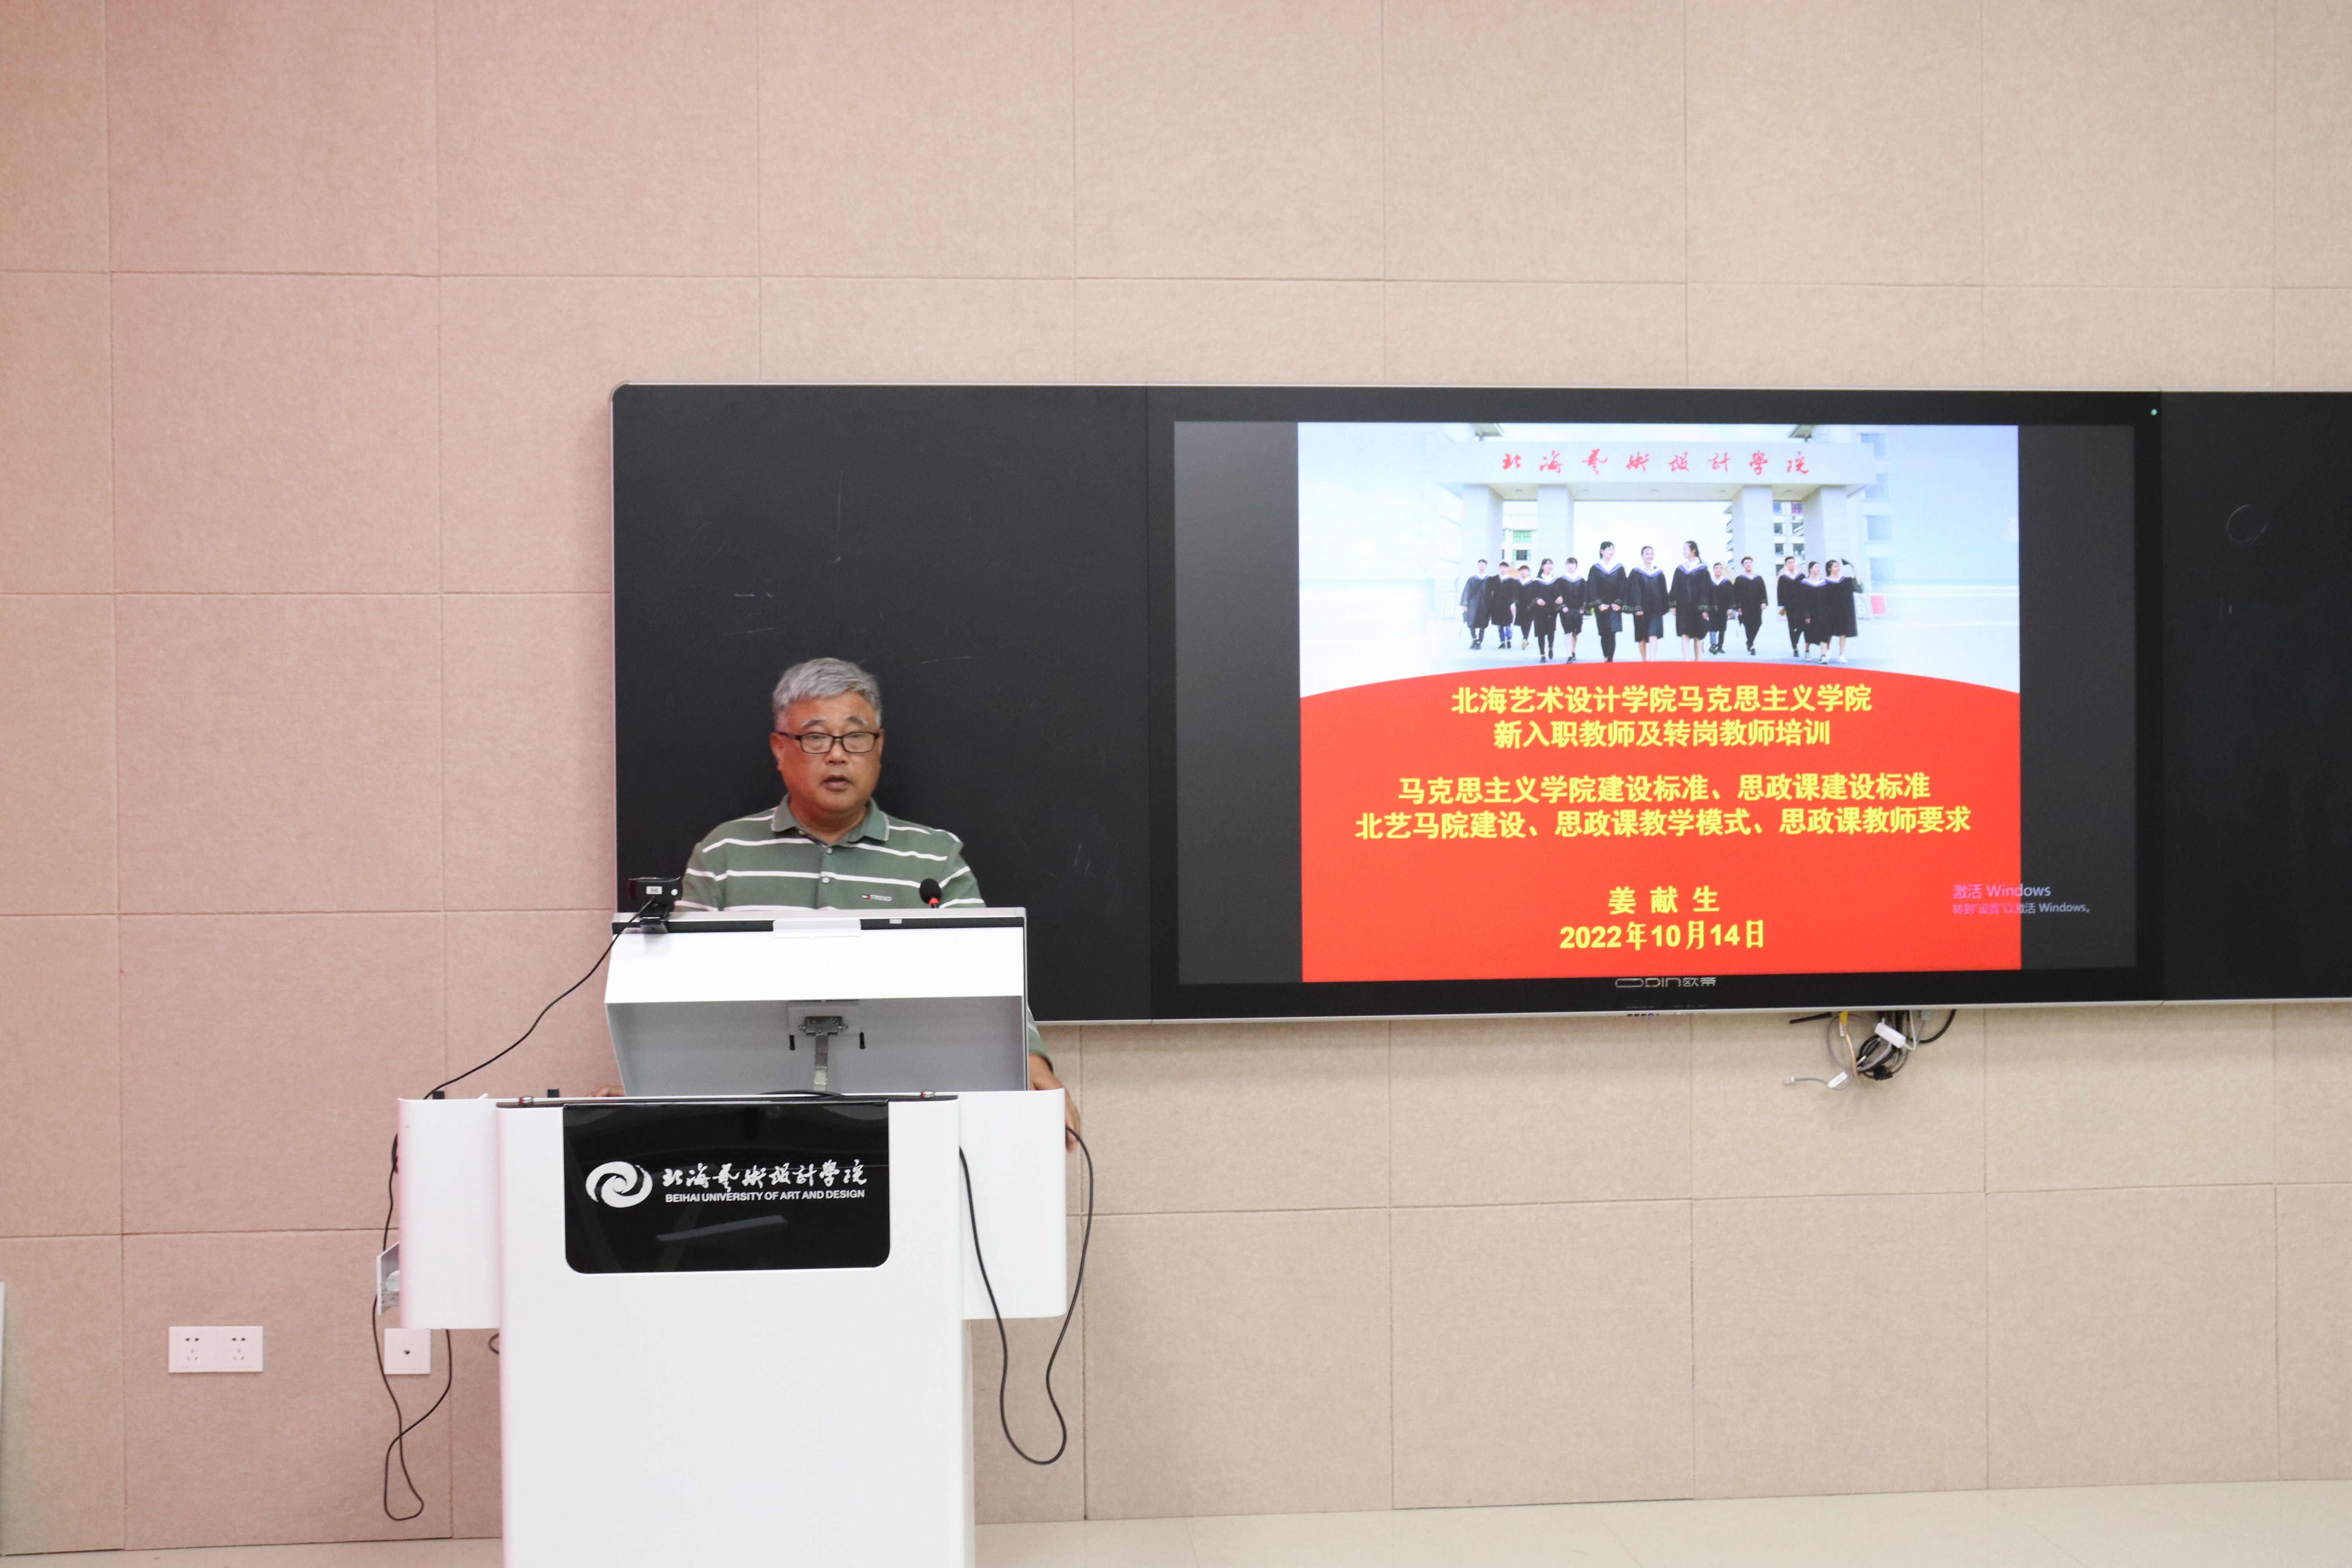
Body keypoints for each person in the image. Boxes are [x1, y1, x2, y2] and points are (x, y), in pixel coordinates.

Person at [653, 657, 1078, 1139]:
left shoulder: (934, 859)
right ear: (780, 749)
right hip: (753, 1114)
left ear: (879, 748)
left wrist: (1031, 1062)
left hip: (905, 1111)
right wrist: (645, 1085)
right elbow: (670, 995)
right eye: (816, 737)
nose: (837, 756)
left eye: (856, 737)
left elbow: (989, 976)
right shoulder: (724, 853)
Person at [1669, 541, 1712, 661]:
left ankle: (1697, 661)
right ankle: (1687, 662)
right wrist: (1674, 605)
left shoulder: (1703, 570)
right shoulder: (1681, 569)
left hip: (1698, 608)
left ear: (1693, 551)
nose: (1683, 552)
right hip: (1684, 607)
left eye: (1685, 549)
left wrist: (1705, 609)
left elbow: (1707, 590)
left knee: (1698, 636)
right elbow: (1675, 588)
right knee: (1685, 634)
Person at [1585, 544, 1628, 663]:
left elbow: (1623, 586)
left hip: (1615, 606)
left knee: (1613, 633)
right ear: (1602, 551)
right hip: (1602, 607)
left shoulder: (1619, 568)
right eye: (1609, 549)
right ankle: (1606, 656)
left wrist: (1619, 603)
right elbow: (1592, 587)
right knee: (1604, 633)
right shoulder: (1595, 568)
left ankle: (1610, 659)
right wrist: (1599, 604)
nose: (1612, 552)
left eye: (1613, 549)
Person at [1629, 545, 1669, 661]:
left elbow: (1664, 591)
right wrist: (1637, 608)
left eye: (1651, 554)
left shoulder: (1659, 573)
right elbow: (1633, 591)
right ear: (1642, 556)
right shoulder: (1636, 572)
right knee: (1642, 637)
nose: (1649, 556)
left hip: (1656, 609)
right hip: (1641, 609)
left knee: (1654, 634)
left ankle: (1652, 660)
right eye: (1647, 554)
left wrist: (1665, 607)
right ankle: (1645, 660)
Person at [1818, 558, 1861, 664]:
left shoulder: (1846, 581)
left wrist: (1855, 571)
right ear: (1829, 569)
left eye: (1838, 566)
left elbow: (1860, 588)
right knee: (1828, 632)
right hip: (1829, 611)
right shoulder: (1824, 582)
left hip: (1844, 610)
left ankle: (1841, 655)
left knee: (1843, 633)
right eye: (1835, 567)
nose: (1838, 568)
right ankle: (1828, 650)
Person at [1526, 558, 1563, 662]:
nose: (1549, 566)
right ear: (1542, 567)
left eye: (1551, 564)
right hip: (1540, 611)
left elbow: (1561, 592)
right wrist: (1537, 600)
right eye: (1547, 564)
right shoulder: (1536, 581)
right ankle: (1543, 654)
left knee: (1551, 631)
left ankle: (1551, 647)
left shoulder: (1556, 580)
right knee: (1541, 633)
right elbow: (1531, 596)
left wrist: (1561, 597)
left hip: (1552, 609)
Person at [1732, 555, 1768, 655]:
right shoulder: (1740, 579)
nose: (1748, 565)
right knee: (1748, 625)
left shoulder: (1759, 579)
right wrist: (1738, 607)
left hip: (1757, 606)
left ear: (1753, 564)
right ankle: (1752, 645)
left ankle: (1749, 641)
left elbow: (1763, 592)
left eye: (1750, 563)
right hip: (1745, 606)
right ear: (1743, 566)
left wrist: (1764, 602)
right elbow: (1736, 594)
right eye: (1746, 563)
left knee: (1758, 623)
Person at [1555, 556, 1586, 662]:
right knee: (1568, 632)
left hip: (1578, 610)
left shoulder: (1581, 580)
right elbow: (1558, 595)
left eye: (1573, 564)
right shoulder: (1561, 580)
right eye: (1569, 564)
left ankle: (1573, 651)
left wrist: (1583, 608)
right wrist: (1563, 606)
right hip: (1566, 610)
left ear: (1576, 566)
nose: (1570, 566)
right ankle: (1569, 656)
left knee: (1575, 633)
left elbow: (1584, 596)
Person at [1800, 559, 1833, 661]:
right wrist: (1806, 615)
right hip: (1810, 613)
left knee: (1824, 633)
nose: (1818, 569)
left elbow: (1827, 599)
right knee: (1809, 633)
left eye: (1819, 567)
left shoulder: (1824, 583)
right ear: (1810, 569)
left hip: (1823, 613)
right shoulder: (1804, 583)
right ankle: (1807, 650)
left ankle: (1823, 656)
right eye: (1816, 567)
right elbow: (1803, 600)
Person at [1776, 555, 1807, 657]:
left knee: (1803, 625)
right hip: (1790, 606)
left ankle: (1795, 640)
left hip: (1801, 605)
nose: (1792, 564)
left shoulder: (1801, 577)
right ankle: (1795, 648)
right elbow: (1780, 593)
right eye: (1790, 563)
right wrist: (1781, 607)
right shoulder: (1783, 579)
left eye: (1793, 562)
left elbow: (1806, 591)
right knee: (1792, 626)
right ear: (1786, 565)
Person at [1459, 559, 1494, 649]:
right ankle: (1474, 639)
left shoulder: (1490, 579)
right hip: (1473, 604)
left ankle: (1479, 642)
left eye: (1484, 564)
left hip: (1485, 603)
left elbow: (1493, 593)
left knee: (1483, 622)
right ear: (1478, 565)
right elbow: (1467, 591)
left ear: (1486, 566)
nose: (1482, 565)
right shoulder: (1472, 579)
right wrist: (1465, 604)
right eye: (1480, 564)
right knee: (1472, 621)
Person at [1493, 563, 1524, 650]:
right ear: (1499, 568)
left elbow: (1514, 593)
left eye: (1505, 568)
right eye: (1502, 567)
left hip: (1508, 605)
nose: (1503, 569)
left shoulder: (1511, 581)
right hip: (1498, 605)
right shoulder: (1496, 579)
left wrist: (1513, 604)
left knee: (1508, 624)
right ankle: (1503, 642)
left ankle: (1509, 640)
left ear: (1508, 569)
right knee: (1500, 625)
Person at [1705, 560, 1732, 655]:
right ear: (1714, 570)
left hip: (1724, 609)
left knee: (1722, 628)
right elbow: (1706, 596)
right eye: (1717, 568)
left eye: (1720, 568)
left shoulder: (1727, 582)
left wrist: (1730, 608)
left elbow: (1731, 596)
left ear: (1723, 570)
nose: (1719, 570)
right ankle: (1713, 645)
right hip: (1712, 609)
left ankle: (1720, 646)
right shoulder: (1709, 582)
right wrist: (1706, 609)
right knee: (1712, 627)